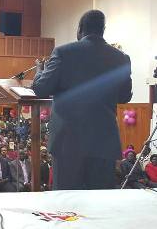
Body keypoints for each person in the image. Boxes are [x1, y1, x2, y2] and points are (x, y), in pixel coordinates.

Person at [32, 10, 132, 190]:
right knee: (99, 203)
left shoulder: (63, 52)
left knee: (67, 202)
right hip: (103, 142)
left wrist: (40, 70)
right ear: (103, 29)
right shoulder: (121, 58)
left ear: (80, 29)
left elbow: (41, 88)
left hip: (68, 141)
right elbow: (124, 96)